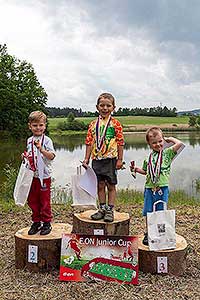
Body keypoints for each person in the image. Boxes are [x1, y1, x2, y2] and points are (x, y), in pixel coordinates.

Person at [131, 126, 184, 245]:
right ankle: (149, 232)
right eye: (154, 143)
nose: (158, 144)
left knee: (161, 211)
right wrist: (136, 169)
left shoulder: (168, 153)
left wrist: (170, 139)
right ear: (149, 144)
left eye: (160, 141)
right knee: (149, 211)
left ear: (163, 141)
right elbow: (145, 172)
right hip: (149, 188)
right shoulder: (148, 158)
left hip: (162, 188)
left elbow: (179, 143)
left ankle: (161, 233)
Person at [82, 93, 124, 222]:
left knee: (111, 185)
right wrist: (86, 159)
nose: (105, 108)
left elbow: (121, 142)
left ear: (113, 107)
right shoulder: (93, 124)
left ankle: (110, 210)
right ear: (97, 107)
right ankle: (102, 209)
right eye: (102, 105)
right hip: (97, 159)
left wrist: (120, 160)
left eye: (108, 105)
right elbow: (89, 142)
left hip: (111, 159)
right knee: (99, 185)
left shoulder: (116, 124)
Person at [24, 111, 55, 235]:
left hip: (44, 176)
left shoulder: (47, 140)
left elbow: (51, 156)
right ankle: (36, 222)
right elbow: (31, 155)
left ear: (45, 126)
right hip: (32, 176)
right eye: (35, 125)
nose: (38, 128)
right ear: (30, 126)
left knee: (44, 201)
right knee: (32, 200)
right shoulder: (29, 140)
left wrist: (41, 149)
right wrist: (25, 156)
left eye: (41, 125)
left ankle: (47, 223)